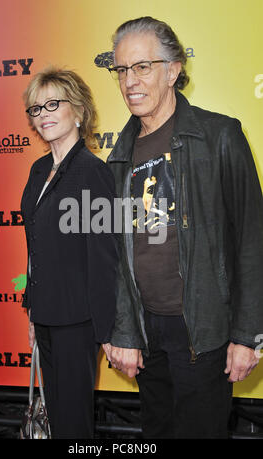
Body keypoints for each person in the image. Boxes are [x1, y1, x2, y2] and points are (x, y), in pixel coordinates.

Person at [103, 16, 263, 439]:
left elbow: (252, 240)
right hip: (147, 331)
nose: (129, 81)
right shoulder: (117, 157)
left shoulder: (219, 137)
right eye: (121, 69)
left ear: (173, 70)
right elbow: (119, 258)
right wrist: (123, 331)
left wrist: (248, 336)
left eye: (142, 67)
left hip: (204, 330)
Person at [21, 66, 118, 439]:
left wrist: (107, 329)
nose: (43, 114)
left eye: (52, 104)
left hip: (78, 322)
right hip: (45, 315)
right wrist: (32, 307)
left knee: (74, 423)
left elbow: (104, 257)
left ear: (77, 111)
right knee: (58, 419)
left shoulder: (92, 172)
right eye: (35, 108)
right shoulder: (38, 169)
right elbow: (34, 244)